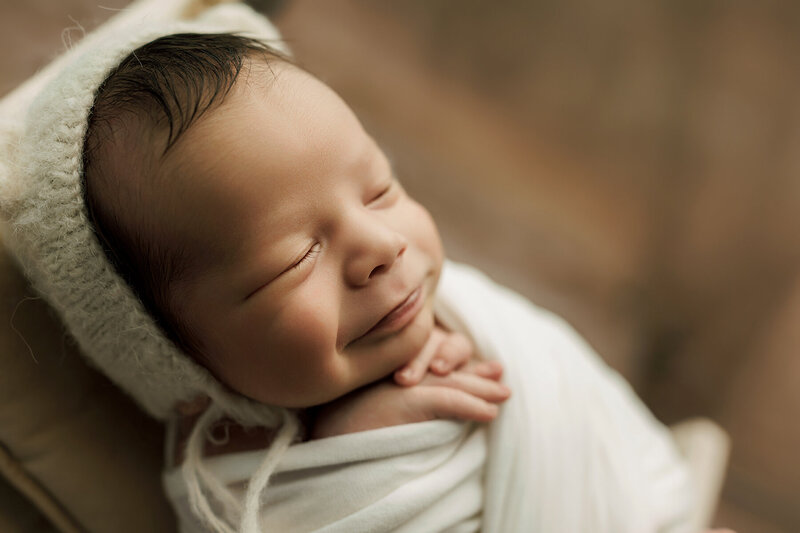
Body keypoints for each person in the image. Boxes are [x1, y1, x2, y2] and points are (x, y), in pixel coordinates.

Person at [4, 4, 701, 532]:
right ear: (177, 359)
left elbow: (583, 410)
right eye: (295, 258)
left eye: (380, 190)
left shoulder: (471, 311)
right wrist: (360, 444)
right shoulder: (236, 488)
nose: (381, 247)